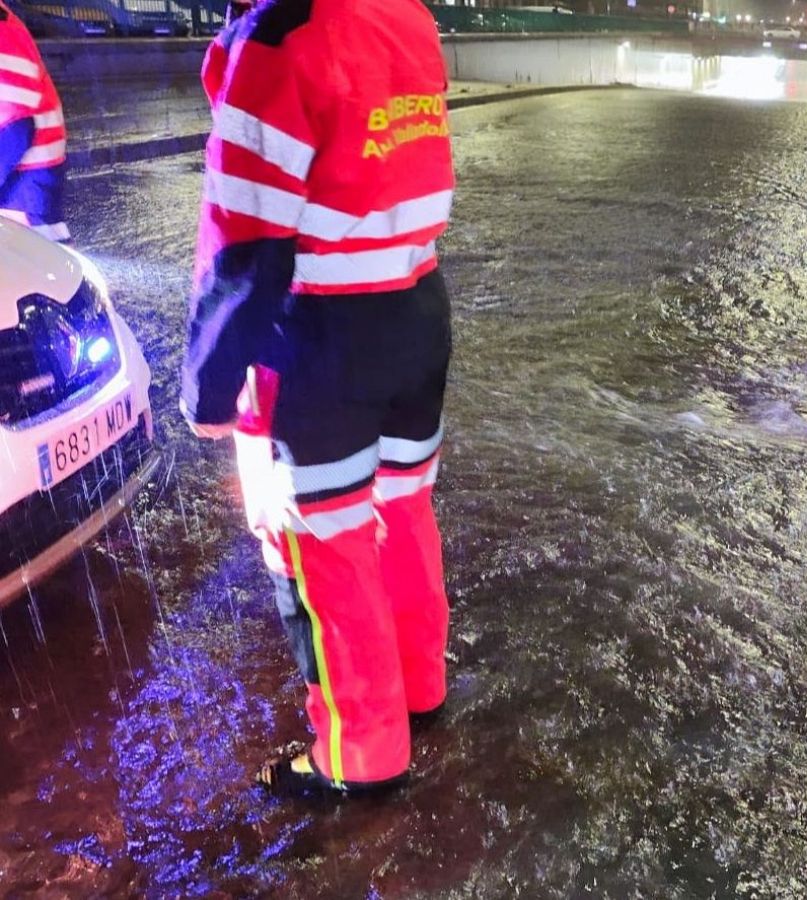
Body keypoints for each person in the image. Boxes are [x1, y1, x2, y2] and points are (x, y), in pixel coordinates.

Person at [182, 0, 456, 798]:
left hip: (320, 341)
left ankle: (359, 751)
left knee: (322, 543)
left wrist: (207, 384)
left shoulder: (281, 37)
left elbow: (244, 243)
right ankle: (419, 688)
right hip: (416, 305)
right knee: (403, 510)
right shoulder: (409, 15)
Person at [0, 0, 68, 241]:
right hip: (26, 194)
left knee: (41, 271)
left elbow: (14, 129)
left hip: (22, 198)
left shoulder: (2, 29)